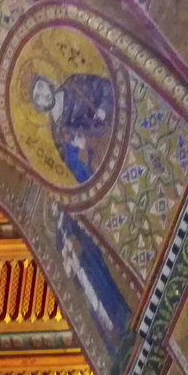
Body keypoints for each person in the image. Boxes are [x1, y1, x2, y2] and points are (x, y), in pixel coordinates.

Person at [56, 216, 131, 360]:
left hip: (89, 267)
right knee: (94, 308)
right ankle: (113, 344)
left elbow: (84, 237)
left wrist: (80, 250)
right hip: (82, 277)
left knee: (104, 293)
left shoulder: (70, 218)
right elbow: (65, 261)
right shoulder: (58, 237)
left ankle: (121, 325)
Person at [29, 72, 114, 184]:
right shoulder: (58, 134)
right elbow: (80, 173)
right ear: (38, 106)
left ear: (47, 82)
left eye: (40, 87)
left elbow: (105, 86)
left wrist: (103, 109)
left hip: (117, 125)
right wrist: (75, 147)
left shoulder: (74, 84)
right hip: (106, 162)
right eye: (37, 97)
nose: (43, 96)